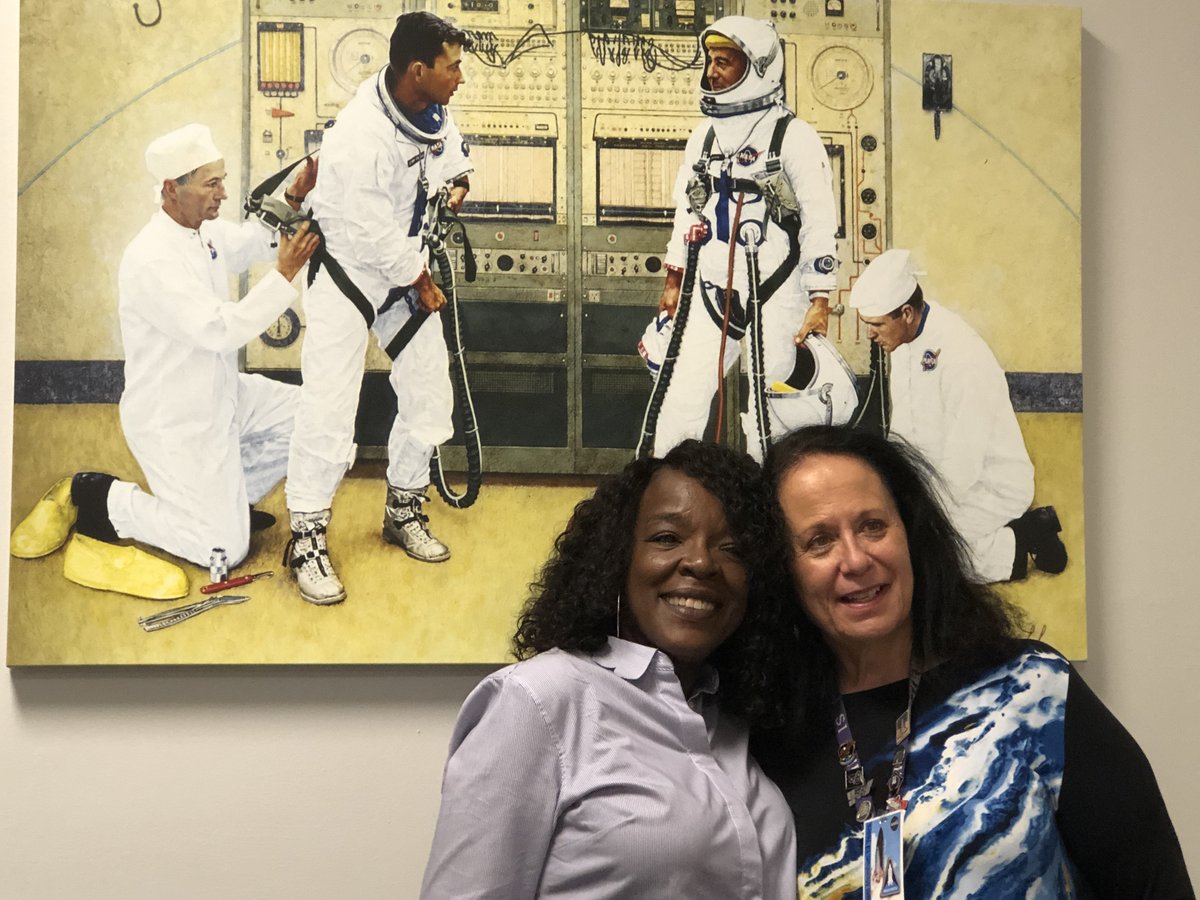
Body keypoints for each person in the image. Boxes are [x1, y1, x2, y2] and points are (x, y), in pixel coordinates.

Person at [754, 425, 1194, 898]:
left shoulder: (1032, 692)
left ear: (911, 536)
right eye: (819, 540)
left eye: (873, 525)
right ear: (783, 569)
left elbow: (1155, 886)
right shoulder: (771, 738)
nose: (856, 558)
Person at [421, 441, 797, 899]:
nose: (701, 562)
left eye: (732, 548)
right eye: (666, 538)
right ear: (617, 560)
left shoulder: (734, 719)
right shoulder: (539, 701)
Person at [10, 123, 319, 595]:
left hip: (223, 396)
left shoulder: (203, 229)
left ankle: (225, 502)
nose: (222, 193)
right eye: (211, 183)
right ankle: (96, 495)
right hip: (175, 420)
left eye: (222, 179)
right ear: (172, 188)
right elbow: (219, 330)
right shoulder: (150, 259)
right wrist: (285, 274)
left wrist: (293, 197)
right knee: (225, 549)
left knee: (316, 418)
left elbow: (252, 240)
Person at [283, 11, 474, 606]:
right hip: (350, 272)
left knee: (428, 391)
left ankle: (403, 507)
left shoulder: (430, 110)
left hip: (401, 269)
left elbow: (449, 157)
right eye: (452, 67)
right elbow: (366, 234)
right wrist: (419, 277)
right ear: (418, 70)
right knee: (329, 408)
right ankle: (307, 535)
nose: (460, 77)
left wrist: (458, 183)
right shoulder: (358, 137)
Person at [647, 15, 840, 459]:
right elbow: (686, 208)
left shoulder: (793, 136)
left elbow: (818, 218)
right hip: (711, 287)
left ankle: (772, 509)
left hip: (777, 290)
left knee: (772, 410)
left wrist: (820, 297)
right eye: (711, 60)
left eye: (725, 61)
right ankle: (672, 499)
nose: (712, 71)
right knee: (681, 398)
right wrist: (674, 279)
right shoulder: (705, 136)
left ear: (758, 66)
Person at [854, 248, 1065, 582]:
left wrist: (924, 508)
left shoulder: (962, 354)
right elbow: (905, 429)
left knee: (923, 556)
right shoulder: (903, 342)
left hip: (987, 482)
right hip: (934, 481)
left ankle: (1027, 537)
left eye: (877, 325)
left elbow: (965, 457)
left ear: (906, 313)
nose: (871, 334)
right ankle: (1017, 535)